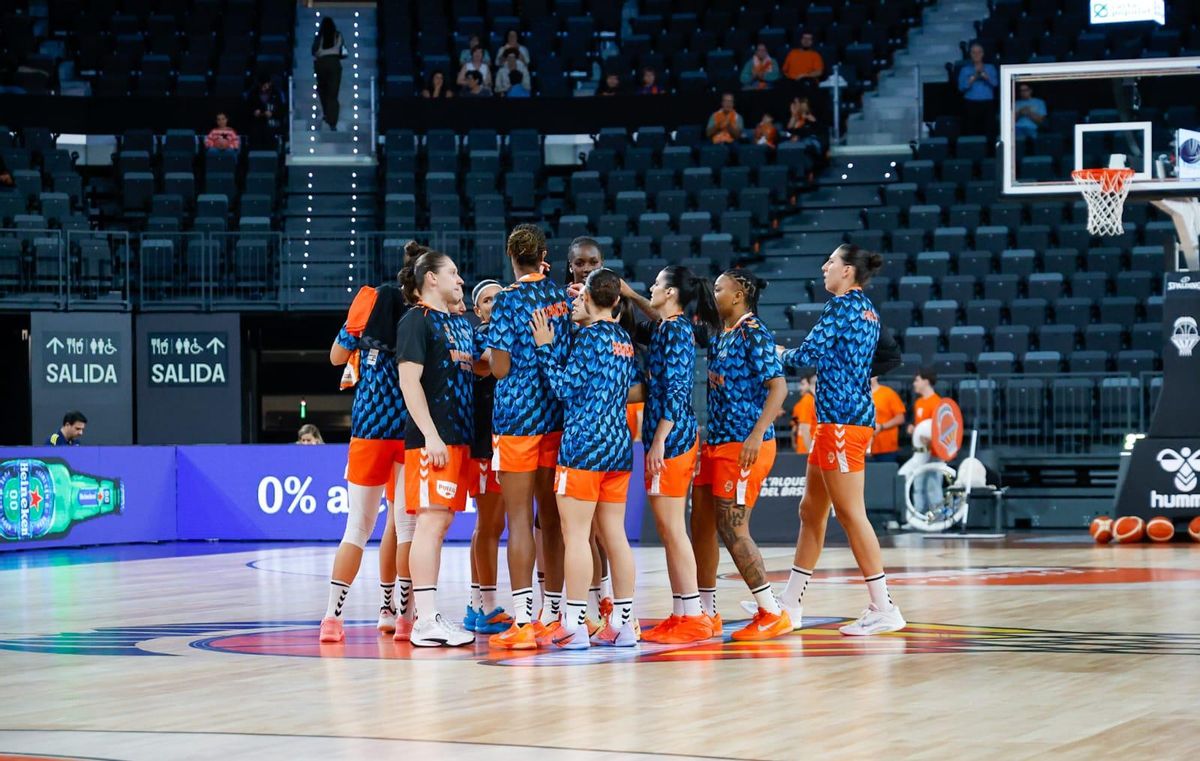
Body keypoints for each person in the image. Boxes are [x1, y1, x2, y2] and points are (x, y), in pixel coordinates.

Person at [773, 244, 906, 636]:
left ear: (847, 271)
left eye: (830, 261)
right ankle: (790, 603)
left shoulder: (843, 307)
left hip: (843, 423)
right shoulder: (867, 310)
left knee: (850, 514)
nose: (824, 265)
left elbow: (807, 353)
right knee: (810, 509)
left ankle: (884, 607)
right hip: (835, 421)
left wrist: (772, 351)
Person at [531, 268, 643, 648]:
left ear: (595, 300)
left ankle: (575, 624)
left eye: (580, 298)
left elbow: (564, 388)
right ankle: (624, 625)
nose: (574, 303)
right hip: (618, 446)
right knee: (615, 537)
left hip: (583, 446)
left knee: (576, 537)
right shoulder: (624, 340)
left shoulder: (589, 338)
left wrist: (545, 346)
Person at [692, 269, 790, 641]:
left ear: (739, 295)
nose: (713, 292)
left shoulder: (754, 333)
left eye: (719, 287)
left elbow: (778, 388)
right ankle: (705, 611)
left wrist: (756, 433)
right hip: (715, 442)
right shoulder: (721, 335)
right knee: (701, 523)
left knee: (732, 527)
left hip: (745, 444)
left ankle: (771, 611)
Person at [486, 225, 573, 651]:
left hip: (517, 419)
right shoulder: (560, 297)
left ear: (511, 256)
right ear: (543, 256)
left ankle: (522, 620)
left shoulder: (505, 300)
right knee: (551, 520)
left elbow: (499, 368)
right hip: (556, 415)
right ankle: (553, 615)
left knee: (519, 520)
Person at [626, 266, 722, 644]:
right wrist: (631, 296)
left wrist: (660, 440)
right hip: (669, 436)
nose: (651, 287)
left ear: (670, 294)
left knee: (673, 530)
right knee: (669, 531)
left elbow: (679, 391)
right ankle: (683, 611)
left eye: (656, 283)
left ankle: (695, 615)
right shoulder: (669, 328)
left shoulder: (679, 331)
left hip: (674, 439)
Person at [320, 281, 411, 644]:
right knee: (406, 529)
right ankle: (403, 618)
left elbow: (334, 358)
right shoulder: (413, 331)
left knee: (356, 529)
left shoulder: (361, 332)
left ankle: (331, 618)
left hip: (367, 436)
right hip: (406, 437)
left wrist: (355, 325)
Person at [395, 245, 476, 648]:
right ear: (431, 279)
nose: (460, 280)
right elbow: (409, 383)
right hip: (433, 441)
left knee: (440, 524)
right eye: (453, 273)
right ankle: (423, 621)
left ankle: (429, 616)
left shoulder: (460, 324)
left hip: (459, 440)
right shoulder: (416, 321)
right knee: (429, 523)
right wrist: (430, 435)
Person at [461, 279, 514, 636]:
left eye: (500, 298)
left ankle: (477, 603)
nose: (495, 304)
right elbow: (487, 365)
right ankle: (486, 604)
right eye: (487, 300)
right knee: (489, 525)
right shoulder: (479, 336)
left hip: (502, 440)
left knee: (492, 526)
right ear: (478, 310)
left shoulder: (505, 335)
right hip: (483, 443)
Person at [908, 367, 944, 514]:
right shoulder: (919, 403)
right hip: (921, 452)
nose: (914, 384)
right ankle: (918, 516)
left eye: (917, 380)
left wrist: (930, 439)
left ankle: (937, 518)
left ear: (926, 381)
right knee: (918, 484)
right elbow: (922, 427)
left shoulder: (937, 403)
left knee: (933, 485)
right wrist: (914, 430)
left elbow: (940, 429)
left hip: (934, 451)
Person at [958, 42, 999, 138]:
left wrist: (985, 75)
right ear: (970, 54)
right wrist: (974, 76)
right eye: (973, 52)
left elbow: (995, 84)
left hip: (988, 103)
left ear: (983, 54)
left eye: (979, 52)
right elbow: (961, 87)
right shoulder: (964, 70)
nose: (976, 55)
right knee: (971, 131)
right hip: (970, 104)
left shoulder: (990, 68)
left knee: (989, 131)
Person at [313, 17, 344, 131]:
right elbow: (342, 50)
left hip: (321, 63)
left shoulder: (320, 36)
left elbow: (314, 51)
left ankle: (327, 114)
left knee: (323, 90)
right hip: (334, 63)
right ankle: (332, 121)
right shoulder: (338, 35)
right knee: (333, 93)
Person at [870, 377, 905, 463]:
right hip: (863, 449)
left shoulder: (888, 393)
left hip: (886, 448)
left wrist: (882, 426)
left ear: (876, 376)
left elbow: (900, 418)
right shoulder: (858, 394)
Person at [246, 75, 286, 148]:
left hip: (273, 122)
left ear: (270, 83)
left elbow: (282, 111)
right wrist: (253, 112)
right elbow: (247, 109)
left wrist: (272, 113)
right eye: (261, 85)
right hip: (256, 123)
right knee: (254, 132)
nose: (263, 87)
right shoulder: (252, 93)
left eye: (265, 85)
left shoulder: (277, 94)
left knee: (271, 132)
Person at [782, 31, 824, 99]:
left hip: (807, 81)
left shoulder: (815, 55)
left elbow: (819, 72)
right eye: (804, 38)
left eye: (809, 39)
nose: (806, 41)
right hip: (792, 82)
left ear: (812, 42)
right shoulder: (792, 53)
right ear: (801, 40)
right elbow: (784, 70)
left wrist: (804, 75)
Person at [791, 371, 817, 454]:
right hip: (806, 448)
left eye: (802, 384)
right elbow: (803, 429)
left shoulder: (811, 400)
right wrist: (810, 453)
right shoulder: (807, 400)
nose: (800, 388)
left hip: (810, 447)